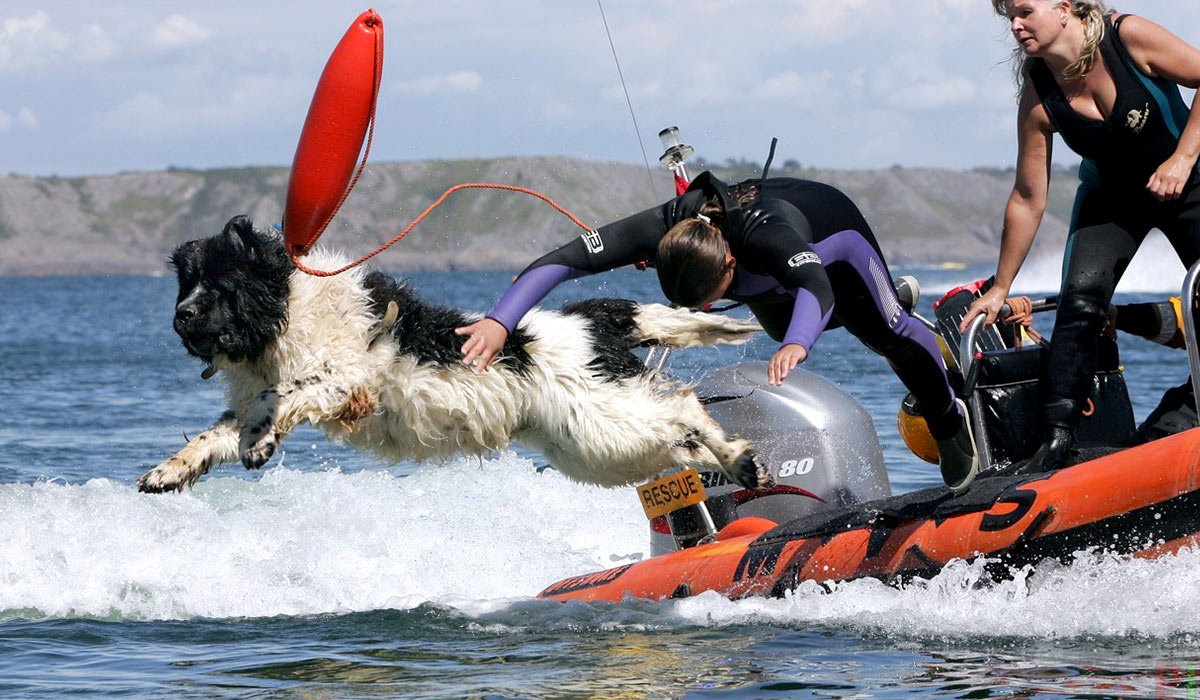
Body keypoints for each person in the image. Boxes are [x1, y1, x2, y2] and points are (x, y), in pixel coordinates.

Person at [456, 171, 980, 492]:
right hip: (769, 278)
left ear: (729, 261)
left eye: (708, 300)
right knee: (783, 324)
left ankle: (947, 419)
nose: (706, 310)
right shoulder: (662, 228)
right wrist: (500, 322)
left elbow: (815, 286)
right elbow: (565, 259)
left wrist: (799, 344)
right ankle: (860, 303)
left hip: (831, 244)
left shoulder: (765, 239)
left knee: (881, 331)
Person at [961, 0, 1200, 471]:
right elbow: (1028, 198)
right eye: (1009, 17)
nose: (1016, 25)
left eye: (1025, 12)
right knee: (1079, 307)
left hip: (1189, 181)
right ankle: (1055, 442)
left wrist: (1183, 159)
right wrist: (1001, 287)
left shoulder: (1127, 37)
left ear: (1064, 8)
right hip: (1111, 200)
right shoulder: (1039, 94)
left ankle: (1187, 411)